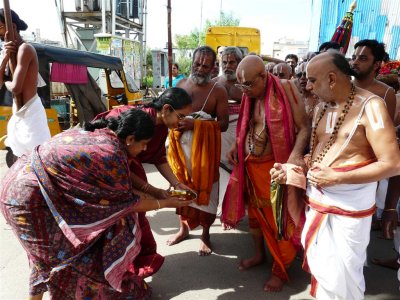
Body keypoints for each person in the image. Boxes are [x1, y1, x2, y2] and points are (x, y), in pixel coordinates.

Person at [0, 109, 193, 300]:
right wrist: (165, 202)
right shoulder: (111, 153)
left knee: (44, 258)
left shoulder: (104, 136)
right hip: (28, 200)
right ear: (131, 139)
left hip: (24, 188)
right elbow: (128, 204)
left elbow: (120, 182)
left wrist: (156, 192)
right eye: (143, 145)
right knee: (60, 260)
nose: (144, 150)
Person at [271, 51, 400, 299]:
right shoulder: (321, 108)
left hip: (349, 206)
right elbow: (317, 159)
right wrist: (291, 172)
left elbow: (393, 164)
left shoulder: (370, 106)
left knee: (346, 274)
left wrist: (338, 178)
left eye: (312, 80)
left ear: (331, 78)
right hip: (318, 199)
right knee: (323, 269)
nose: (307, 86)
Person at [221, 55, 309, 292]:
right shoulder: (250, 95)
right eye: (241, 86)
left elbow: (304, 128)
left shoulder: (287, 89)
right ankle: (259, 254)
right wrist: (235, 145)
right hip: (249, 166)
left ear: (263, 76)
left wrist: (295, 157)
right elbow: (247, 125)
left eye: (248, 84)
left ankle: (280, 269)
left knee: (279, 219)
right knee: (255, 216)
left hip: (275, 168)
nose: (244, 90)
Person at [167, 45, 229, 256]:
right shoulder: (181, 84)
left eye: (206, 66)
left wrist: (197, 126)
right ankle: (183, 228)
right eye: (197, 64)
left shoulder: (218, 90)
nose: (200, 69)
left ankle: (205, 234)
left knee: (207, 193)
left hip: (205, 153)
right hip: (180, 151)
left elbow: (224, 124)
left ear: (213, 68)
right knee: (180, 189)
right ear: (191, 63)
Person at [94, 87, 193, 198]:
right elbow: (117, 164)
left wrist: (177, 183)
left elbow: (158, 157)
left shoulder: (161, 126)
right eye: (180, 116)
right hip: (103, 166)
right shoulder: (135, 120)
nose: (182, 122)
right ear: (166, 109)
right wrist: (154, 193)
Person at [350, 39, 398, 235]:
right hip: (334, 168)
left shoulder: (385, 93)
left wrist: (389, 207)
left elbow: (388, 140)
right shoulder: (341, 86)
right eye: (354, 57)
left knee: (357, 232)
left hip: (367, 175)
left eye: (362, 58)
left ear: (376, 64)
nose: (355, 62)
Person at [0, 9, 50, 161]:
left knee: (38, 161)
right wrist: (4, 58)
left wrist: (5, 81)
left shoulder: (25, 49)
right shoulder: (10, 52)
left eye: (0, 28)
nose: (0, 33)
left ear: (12, 27)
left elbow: (16, 87)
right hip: (20, 113)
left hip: (31, 114)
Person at [212, 46, 243, 172]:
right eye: (224, 62)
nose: (227, 66)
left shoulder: (246, 84)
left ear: (239, 63)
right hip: (219, 135)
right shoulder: (213, 83)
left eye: (231, 62)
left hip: (240, 134)